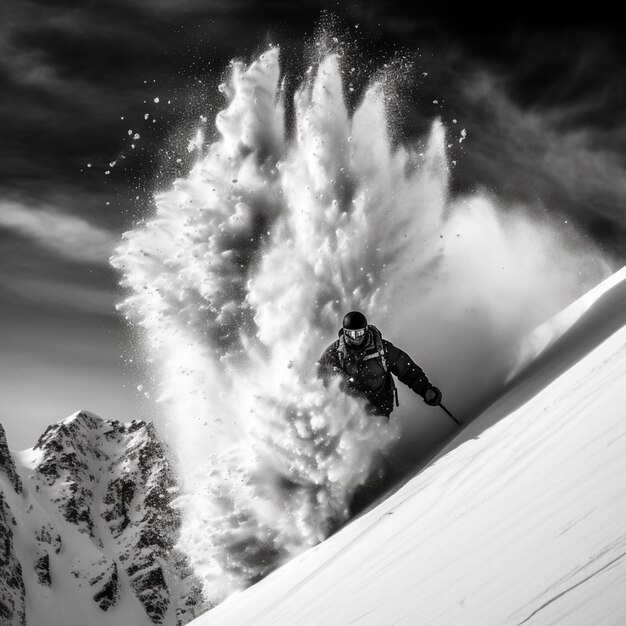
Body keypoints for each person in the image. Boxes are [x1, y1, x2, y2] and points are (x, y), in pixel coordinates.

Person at [317, 311, 442, 419]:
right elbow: (321, 372)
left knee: (376, 431)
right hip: (352, 406)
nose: (355, 338)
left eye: (359, 333)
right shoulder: (336, 352)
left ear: (365, 331)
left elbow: (407, 369)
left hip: (380, 402)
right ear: (344, 333)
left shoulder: (382, 348)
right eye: (351, 334)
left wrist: (425, 389)